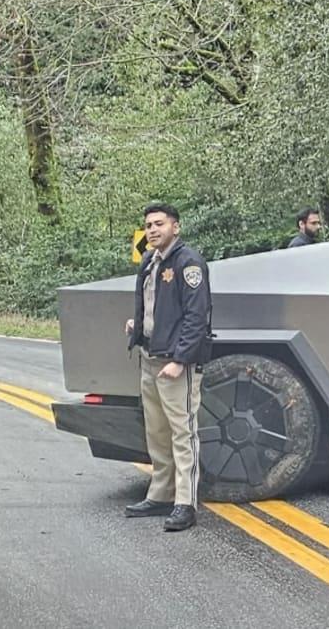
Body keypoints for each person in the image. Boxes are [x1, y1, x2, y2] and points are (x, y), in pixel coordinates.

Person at [123, 203, 212, 532]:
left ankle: (185, 503)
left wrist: (180, 360)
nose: (152, 230)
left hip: (176, 363)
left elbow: (195, 316)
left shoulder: (188, 262)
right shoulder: (150, 261)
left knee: (182, 432)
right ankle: (161, 494)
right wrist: (140, 325)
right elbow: (157, 306)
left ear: (176, 227)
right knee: (157, 432)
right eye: (148, 225)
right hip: (150, 357)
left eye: (159, 223)